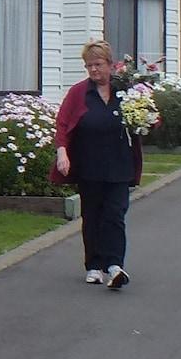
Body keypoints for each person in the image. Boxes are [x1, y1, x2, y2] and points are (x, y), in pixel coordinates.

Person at [51, 39, 143, 290]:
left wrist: (149, 120)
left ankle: (114, 265)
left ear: (110, 65)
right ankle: (93, 265)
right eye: (89, 65)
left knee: (115, 215)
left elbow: (146, 116)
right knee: (92, 216)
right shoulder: (79, 93)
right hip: (89, 164)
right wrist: (62, 153)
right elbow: (62, 125)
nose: (93, 70)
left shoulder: (126, 91)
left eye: (98, 64)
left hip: (119, 165)